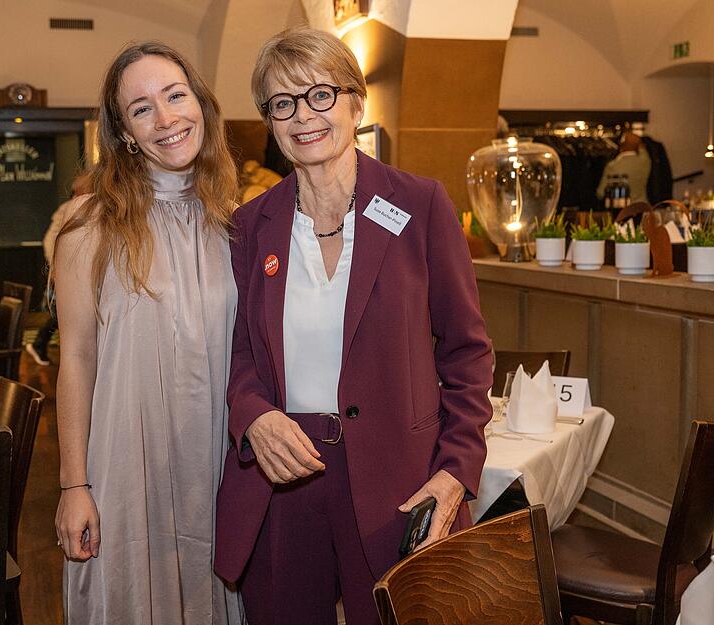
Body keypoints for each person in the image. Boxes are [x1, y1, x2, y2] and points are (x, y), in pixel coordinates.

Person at [214, 26, 493, 625]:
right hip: (283, 476)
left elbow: (467, 353)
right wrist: (253, 414)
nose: (303, 116)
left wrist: (455, 472)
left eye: (320, 94)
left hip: (401, 474)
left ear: (356, 102)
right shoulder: (251, 224)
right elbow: (238, 354)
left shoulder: (421, 206)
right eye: (282, 103)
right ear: (269, 121)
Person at [52, 41, 244, 625]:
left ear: (201, 105)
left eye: (175, 96)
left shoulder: (238, 225)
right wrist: (72, 485)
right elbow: (77, 361)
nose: (165, 119)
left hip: (216, 463)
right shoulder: (88, 230)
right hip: (123, 466)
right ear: (124, 133)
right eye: (141, 109)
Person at [26, 198, 68, 366]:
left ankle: (39, 345)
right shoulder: (69, 209)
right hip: (66, 272)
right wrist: (56, 268)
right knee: (61, 313)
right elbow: (50, 240)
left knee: (62, 313)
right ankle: (39, 344)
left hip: (68, 271)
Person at [596, 130, 651, 205]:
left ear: (621, 146)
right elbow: (643, 150)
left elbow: (600, 193)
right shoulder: (644, 161)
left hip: (621, 210)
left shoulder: (612, 166)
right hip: (642, 207)